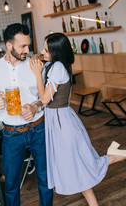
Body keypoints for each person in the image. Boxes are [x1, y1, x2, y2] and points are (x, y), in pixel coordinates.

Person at [29, 32, 126, 206]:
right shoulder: (54, 65)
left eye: (46, 50)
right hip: (57, 120)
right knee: (77, 165)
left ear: (57, 53)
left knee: (81, 164)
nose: (42, 52)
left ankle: (114, 156)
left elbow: (45, 99)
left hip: (61, 123)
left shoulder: (58, 67)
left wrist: (37, 74)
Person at [0, 23, 53, 206]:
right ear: (9, 45)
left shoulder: (35, 65)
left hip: (38, 129)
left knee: (46, 180)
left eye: (28, 45)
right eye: (22, 46)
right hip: (11, 134)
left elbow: (44, 97)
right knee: (11, 184)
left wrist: (35, 107)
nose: (27, 50)